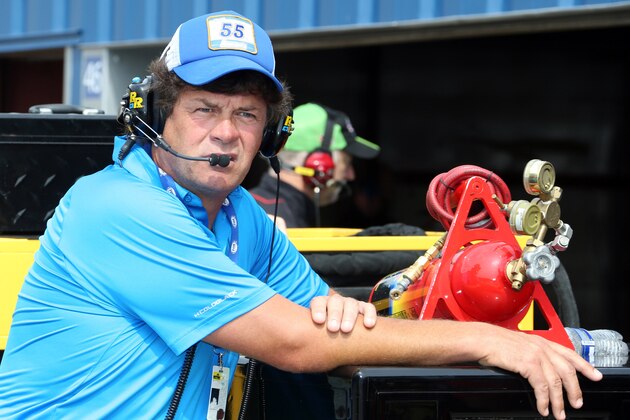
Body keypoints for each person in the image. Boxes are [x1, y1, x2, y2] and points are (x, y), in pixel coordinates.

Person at [0, 10, 601, 420]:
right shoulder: (118, 208)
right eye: (204, 108)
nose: (226, 134)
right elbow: (293, 342)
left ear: (272, 132)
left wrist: (348, 315)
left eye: (247, 115)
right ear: (157, 114)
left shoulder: (243, 221)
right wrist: (489, 343)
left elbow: (340, 332)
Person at [249, 102, 380, 227]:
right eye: (346, 163)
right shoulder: (275, 221)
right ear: (319, 165)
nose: (351, 175)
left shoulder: (255, 208)